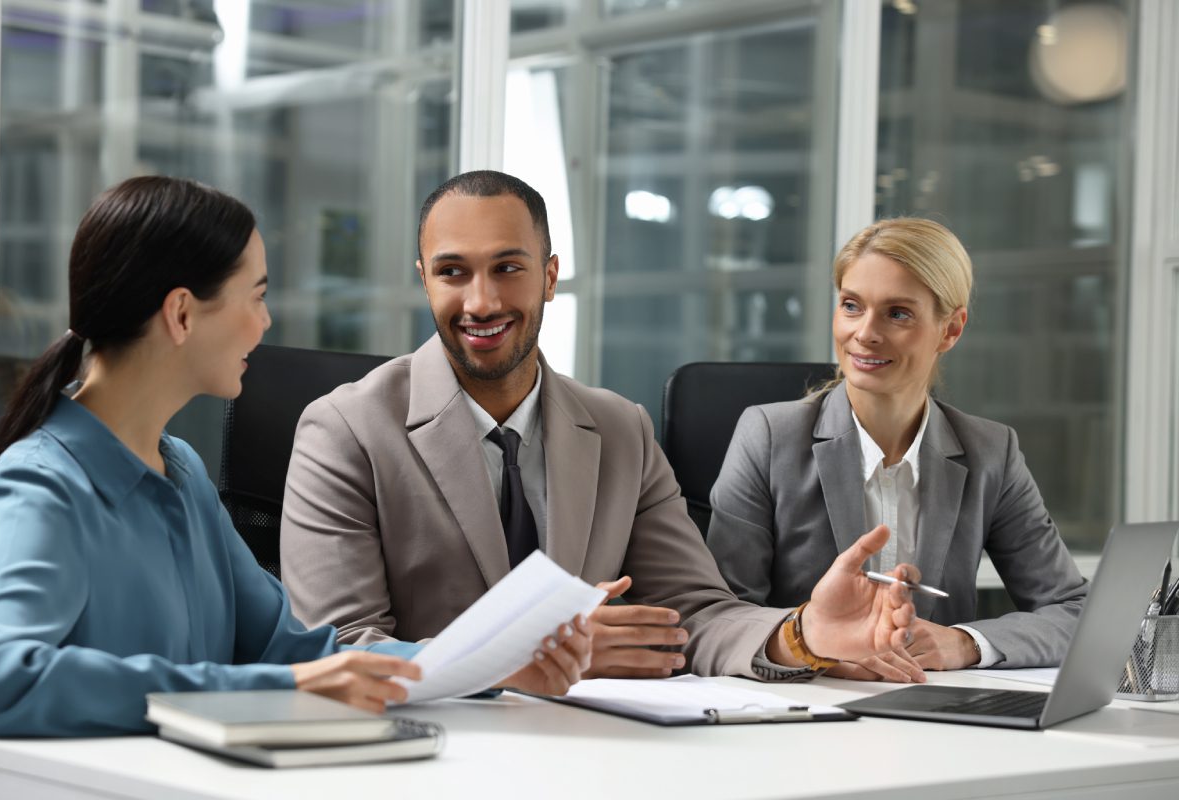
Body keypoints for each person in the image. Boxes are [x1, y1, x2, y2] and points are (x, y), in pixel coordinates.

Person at [0, 176, 590, 738]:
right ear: (183, 313)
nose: (265, 323)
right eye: (256, 296)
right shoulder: (42, 484)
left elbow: (297, 653)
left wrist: (494, 663)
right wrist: (274, 687)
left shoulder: (182, 473)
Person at [280, 170, 920, 683]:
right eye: (453, 272)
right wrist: (533, 654)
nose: (481, 302)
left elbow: (694, 612)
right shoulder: (344, 430)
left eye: (508, 268)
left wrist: (802, 635)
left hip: (593, 759)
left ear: (550, 276)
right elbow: (340, 650)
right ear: (424, 280)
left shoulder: (620, 429)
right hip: (428, 759)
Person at [706, 217, 1088, 682]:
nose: (865, 333)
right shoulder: (768, 436)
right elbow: (719, 617)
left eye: (897, 313)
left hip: (934, 708)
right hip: (805, 707)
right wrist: (812, 646)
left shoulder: (991, 451)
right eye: (851, 306)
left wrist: (964, 644)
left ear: (950, 330)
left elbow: (1074, 610)